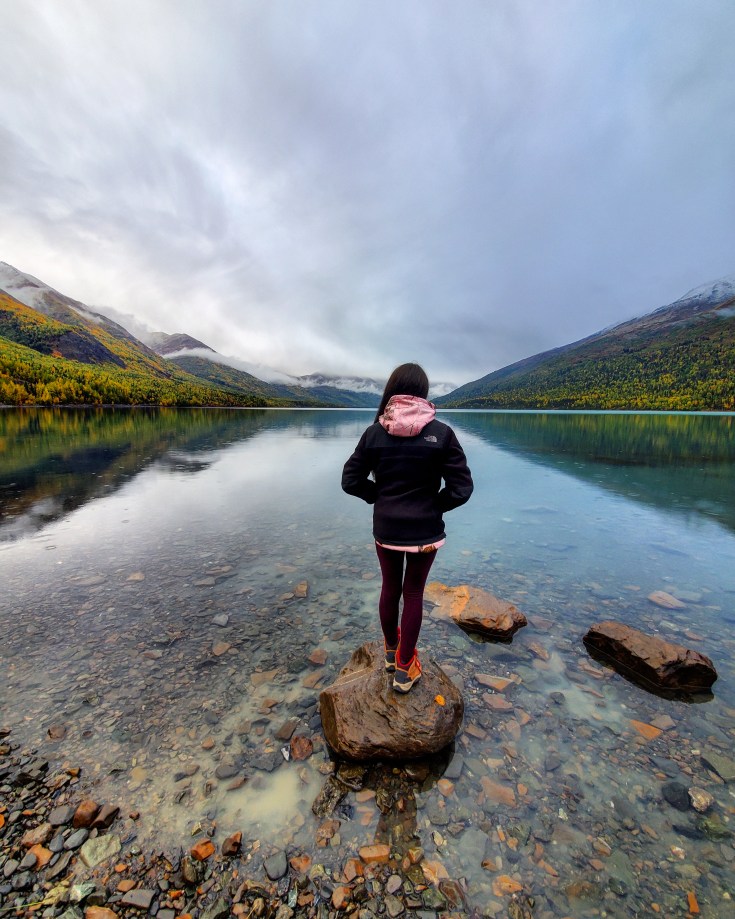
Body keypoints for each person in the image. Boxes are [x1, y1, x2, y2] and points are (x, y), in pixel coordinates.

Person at [341, 363, 474, 692]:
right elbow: (462, 488)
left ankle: (390, 653)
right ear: (424, 393)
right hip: (425, 532)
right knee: (413, 593)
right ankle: (404, 669)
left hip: (387, 529)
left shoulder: (374, 432)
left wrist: (379, 498)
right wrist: (432, 506)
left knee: (390, 588)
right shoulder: (441, 434)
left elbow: (350, 481)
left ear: (392, 390)